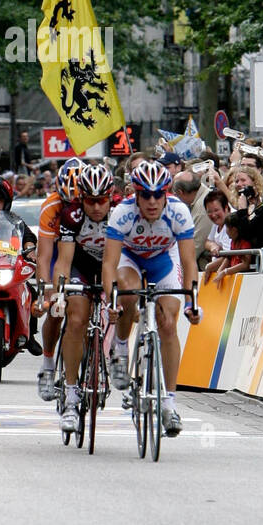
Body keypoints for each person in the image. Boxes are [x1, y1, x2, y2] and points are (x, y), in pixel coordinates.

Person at [102, 160, 201, 439]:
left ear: (167, 193)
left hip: (163, 261)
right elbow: (109, 263)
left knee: (168, 324)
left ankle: (169, 402)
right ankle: (120, 347)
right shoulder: (122, 213)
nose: (153, 201)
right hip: (130, 258)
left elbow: (188, 261)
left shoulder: (179, 212)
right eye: (145, 194)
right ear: (135, 194)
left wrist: (193, 301)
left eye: (159, 194)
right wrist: (113, 301)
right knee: (129, 292)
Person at [52, 162, 115, 435]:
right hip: (81, 267)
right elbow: (63, 262)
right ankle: (70, 393)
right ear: (81, 198)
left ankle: (114, 358)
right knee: (76, 319)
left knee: (121, 307)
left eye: (102, 200)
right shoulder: (72, 216)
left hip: (111, 267)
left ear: (111, 197)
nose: (97, 207)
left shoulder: (121, 214)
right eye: (91, 200)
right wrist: (59, 294)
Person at [32, 158, 84, 401]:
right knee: (55, 309)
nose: (71, 204)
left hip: (82, 256)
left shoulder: (94, 204)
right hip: (56, 255)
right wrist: (46, 291)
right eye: (66, 200)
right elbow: (43, 257)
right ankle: (48, 365)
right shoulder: (51, 206)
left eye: (77, 200)